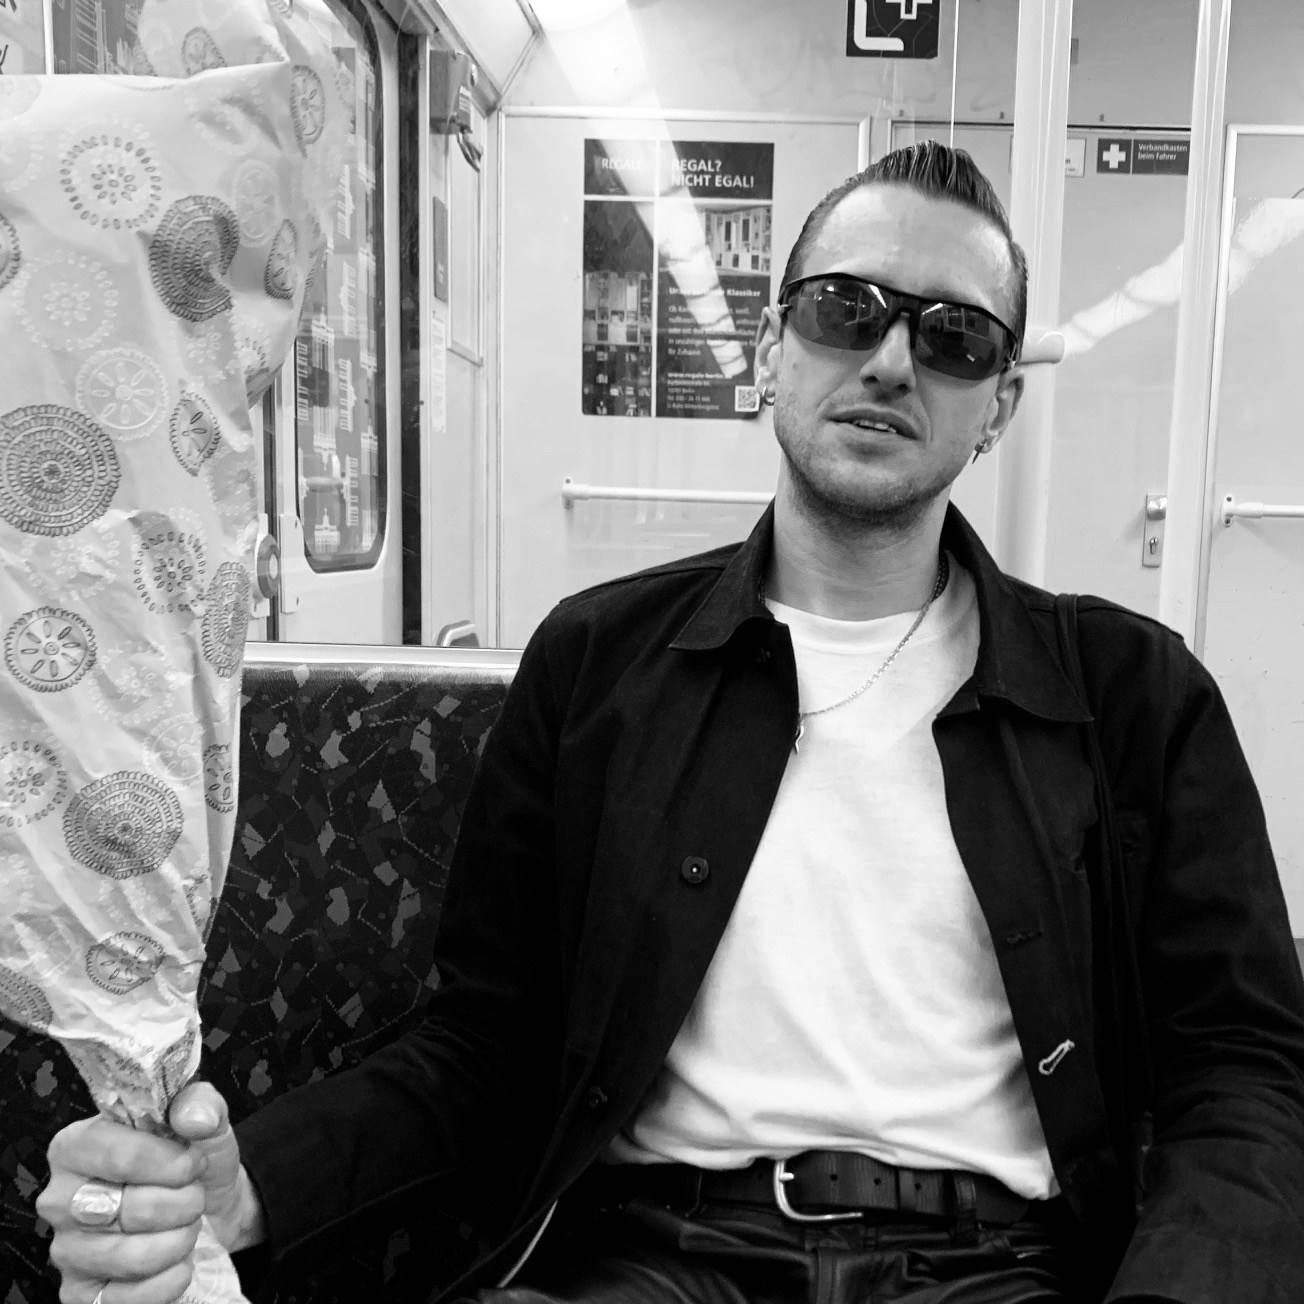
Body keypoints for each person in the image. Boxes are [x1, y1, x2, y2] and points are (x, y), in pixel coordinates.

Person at [39, 142, 1304, 1304]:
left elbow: (1244, 1066)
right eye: (843, 308)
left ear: (999, 408)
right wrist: (244, 1185)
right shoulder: (601, 664)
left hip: (994, 1267)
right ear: (770, 351)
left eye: (955, 337)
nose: (889, 359)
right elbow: (489, 1042)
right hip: (658, 1256)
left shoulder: (1128, 694)